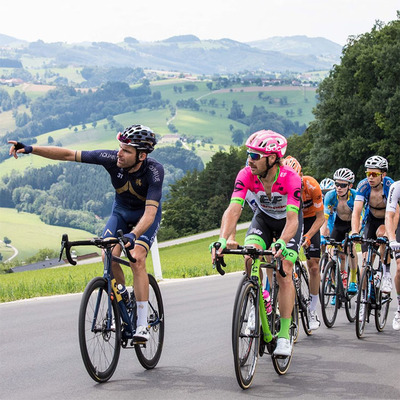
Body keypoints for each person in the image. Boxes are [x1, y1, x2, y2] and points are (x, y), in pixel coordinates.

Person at [9, 124, 164, 341]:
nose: (119, 153)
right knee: (107, 255)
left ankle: (141, 324)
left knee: (137, 258)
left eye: (127, 151)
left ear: (142, 156)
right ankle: (123, 294)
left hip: (145, 216)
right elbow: (68, 154)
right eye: (120, 147)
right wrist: (31, 148)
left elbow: (149, 214)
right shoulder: (111, 159)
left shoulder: (154, 171)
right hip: (120, 213)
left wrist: (134, 235)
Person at [210, 129, 302, 357]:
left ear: (272, 159)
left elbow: (292, 220)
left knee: (285, 271)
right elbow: (233, 209)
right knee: (250, 255)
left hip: (287, 226)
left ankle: (283, 336)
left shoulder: (291, 178)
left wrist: (281, 242)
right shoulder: (246, 174)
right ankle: (255, 300)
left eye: (255, 155)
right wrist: (223, 239)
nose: (249, 159)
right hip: (263, 219)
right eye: (249, 154)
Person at [283, 156, 324, 331]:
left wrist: (308, 235)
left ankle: (312, 309)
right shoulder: (282, 188)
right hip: (291, 220)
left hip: (311, 221)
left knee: (313, 265)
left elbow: (321, 218)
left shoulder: (311, 185)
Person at [350, 156, 394, 294]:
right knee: (365, 264)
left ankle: (386, 273)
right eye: (368, 174)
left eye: (374, 174)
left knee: (381, 235)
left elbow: (394, 213)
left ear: (383, 174)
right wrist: (355, 231)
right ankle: (364, 299)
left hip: (387, 220)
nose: (370, 177)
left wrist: (388, 233)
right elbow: (356, 212)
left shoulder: (389, 185)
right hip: (371, 221)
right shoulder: (363, 186)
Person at [322, 168, 358, 295]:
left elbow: (359, 216)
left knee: (350, 248)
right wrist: (323, 234)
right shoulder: (330, 196)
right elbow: (325, 218)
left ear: (350, 186)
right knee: (331, 253)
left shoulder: (355, 196)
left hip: (353, 224)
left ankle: (353, 279)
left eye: (343, 185)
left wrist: (355, 233)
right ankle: (336, 286)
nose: (339, 187)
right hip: (338, 225)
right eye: (337, 184)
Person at [384, 180, 400, 330]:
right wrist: (392, 238)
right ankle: (399, 309)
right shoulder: (396, 187)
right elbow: (389, 216)